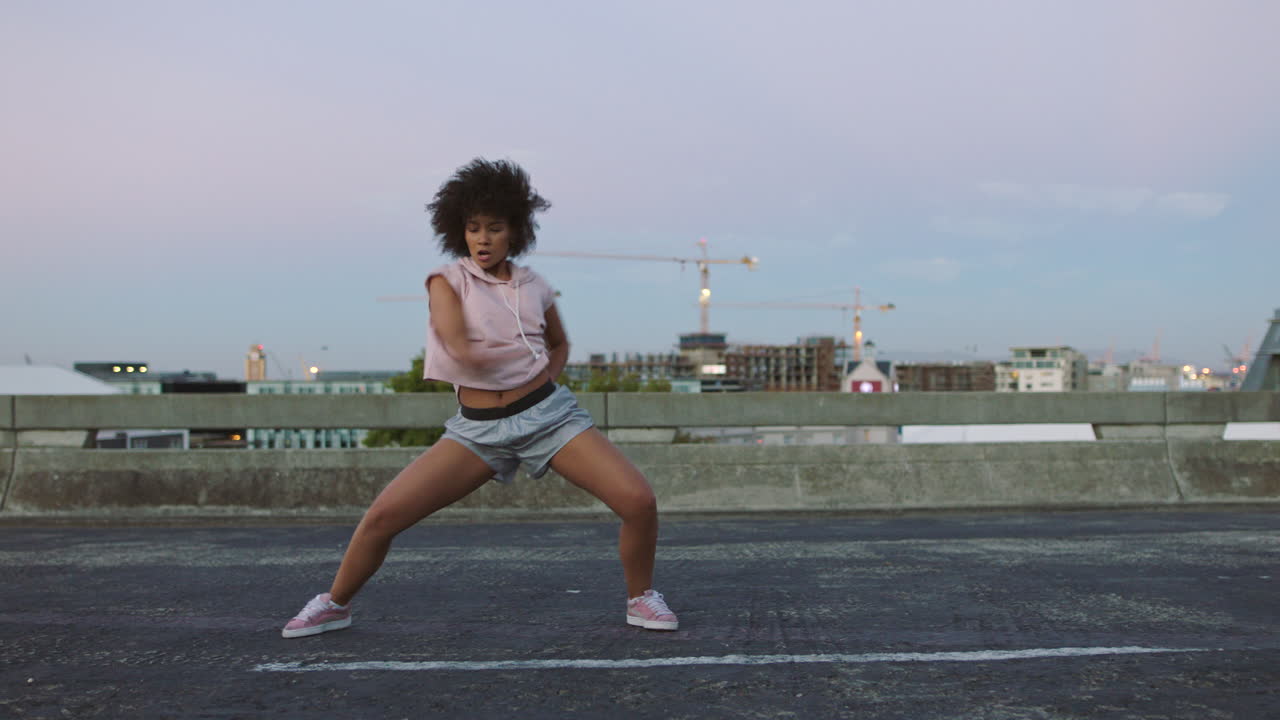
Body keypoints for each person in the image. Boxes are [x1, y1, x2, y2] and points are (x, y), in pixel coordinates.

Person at [282, 158, 677, 638]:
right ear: (459, 232)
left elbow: (560, 344)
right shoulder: (447, 281)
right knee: (384, 515)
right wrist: (471, 354)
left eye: (494, 228)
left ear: (516, 231)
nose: (483, 239)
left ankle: (642, 598)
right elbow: (452, 336)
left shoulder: (535, 286)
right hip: (477, 430)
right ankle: (334, 603)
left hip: (549, 418)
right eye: (473, 229)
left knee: (639, 501)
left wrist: (542, 378)